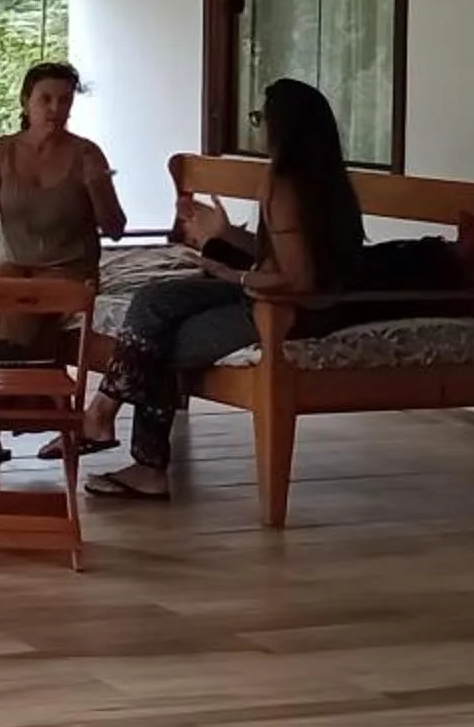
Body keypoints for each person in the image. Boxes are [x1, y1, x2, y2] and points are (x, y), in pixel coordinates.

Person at [83, 76, 365, 501]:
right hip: (272, 294)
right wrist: (227, 236)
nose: (257, 127)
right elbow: (285, 255)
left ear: (282, 125)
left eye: (259, 118)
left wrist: (236, 276)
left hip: (285, 309)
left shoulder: (284, 183)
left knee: (158, 339)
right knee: (154, 299)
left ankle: (140, 457)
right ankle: (104, 416)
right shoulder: (325, 179)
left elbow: (300, 279)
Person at [0, 62, 126, 468]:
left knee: (21, 306)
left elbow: (114, 229)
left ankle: (5, 418)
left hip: (70, 269)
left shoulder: (86, 153)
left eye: (64, 100)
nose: (55, 108)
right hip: (15, 264)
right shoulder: (2, 150)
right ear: (27, 102)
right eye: (46, 99)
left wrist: (97, 185)